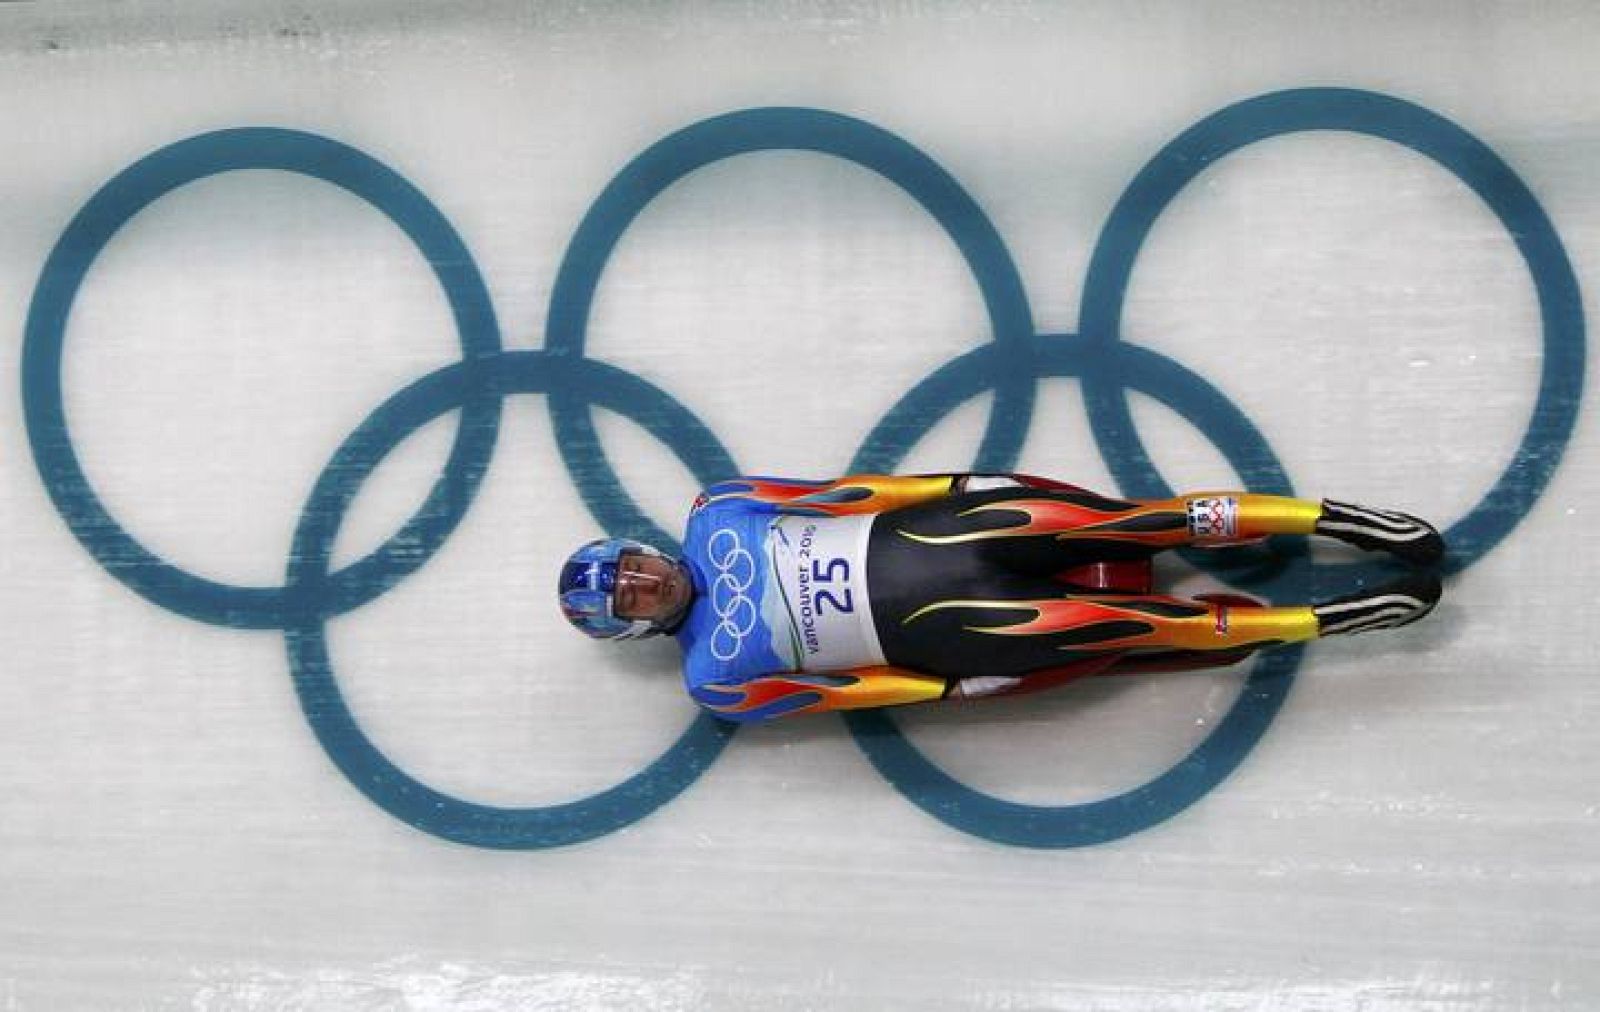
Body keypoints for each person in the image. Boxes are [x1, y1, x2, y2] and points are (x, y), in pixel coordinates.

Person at [558, 473, 1443, 722]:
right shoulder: (714, 681)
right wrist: (950, 690)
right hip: (950, 632)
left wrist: (956, 482)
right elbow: (844, 692)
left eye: (631, 567)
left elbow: (848, 495)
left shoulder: (718, 509)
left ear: (639, 548)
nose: (645, 582)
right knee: (1126, 625)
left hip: (949, 534)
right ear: (634, 628)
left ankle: (1335, 516)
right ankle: (1325, 619)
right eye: (631, 597)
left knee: (1138, 523)